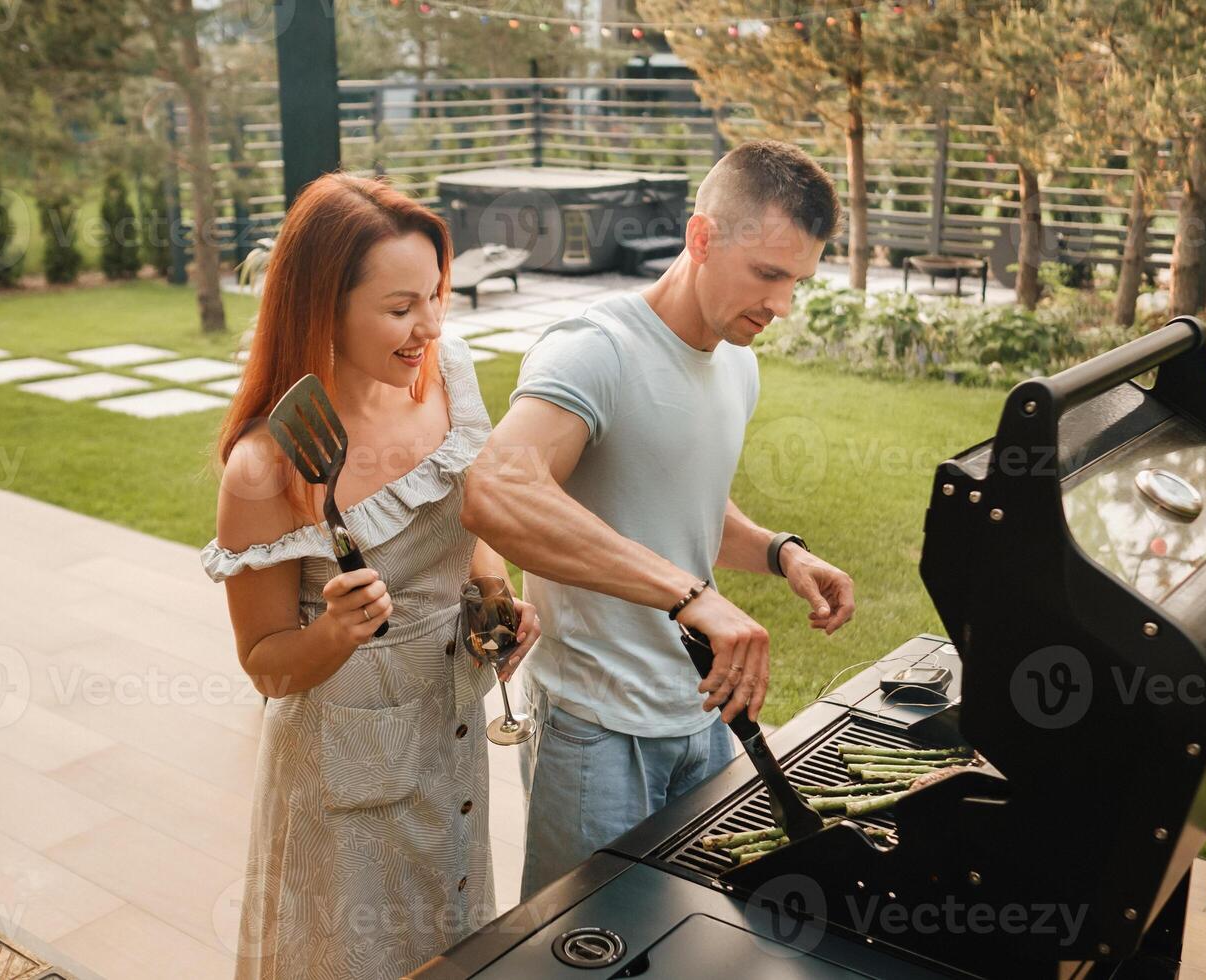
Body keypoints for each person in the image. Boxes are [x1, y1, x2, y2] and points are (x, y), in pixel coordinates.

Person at [461, 140, 856, 896]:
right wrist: (690, 594)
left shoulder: (736, 358)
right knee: (579, 951)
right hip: (596, 727)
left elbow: (681, 502)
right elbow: (497, 491)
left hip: (704, 715)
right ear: (702, 238)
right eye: (769, 274)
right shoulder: (595, 351)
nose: (782, 305)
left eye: (797, 281)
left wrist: (780, 554)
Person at [201, 173, 540, 980]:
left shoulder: (448, 378)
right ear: (323, 305)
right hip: (341, 763)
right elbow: (267, 668)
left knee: (451, 939)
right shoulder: (265, 467)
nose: (427, 326)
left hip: (448, 727)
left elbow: (473, 527)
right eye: (399, 308)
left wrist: (495, 596)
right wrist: (332, 632)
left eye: (435, 296)